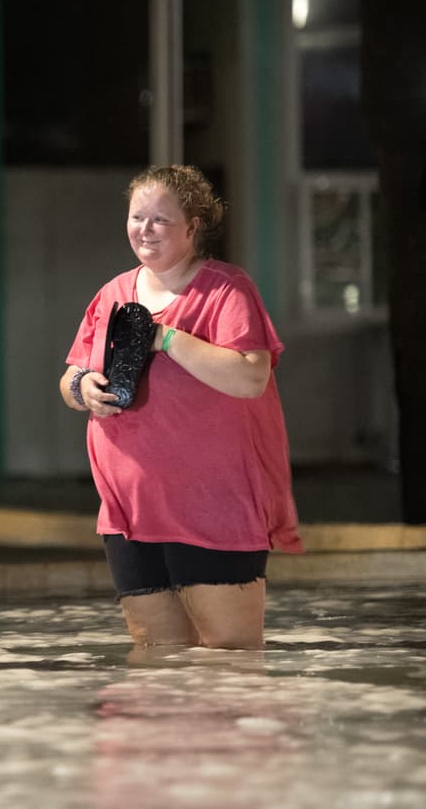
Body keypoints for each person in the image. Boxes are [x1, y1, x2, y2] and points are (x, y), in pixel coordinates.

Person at [58, 164, 303, 651]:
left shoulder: (226, 290)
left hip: (214, 506)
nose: (144, 230)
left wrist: (165, 337)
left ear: (193, 226)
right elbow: (70, 377)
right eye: (136, 217)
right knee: (156, 662)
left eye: (160, 220)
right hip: (130, 510)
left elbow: (251, 376)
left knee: (231, 661)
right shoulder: (112, 295)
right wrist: (82, 387)